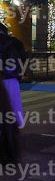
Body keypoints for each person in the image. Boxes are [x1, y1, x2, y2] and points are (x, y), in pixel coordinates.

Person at [0, 23, 27, 158]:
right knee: (13, 103)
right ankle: (16, 126)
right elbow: (23, 57)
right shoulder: (15, 42)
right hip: (11, 77)